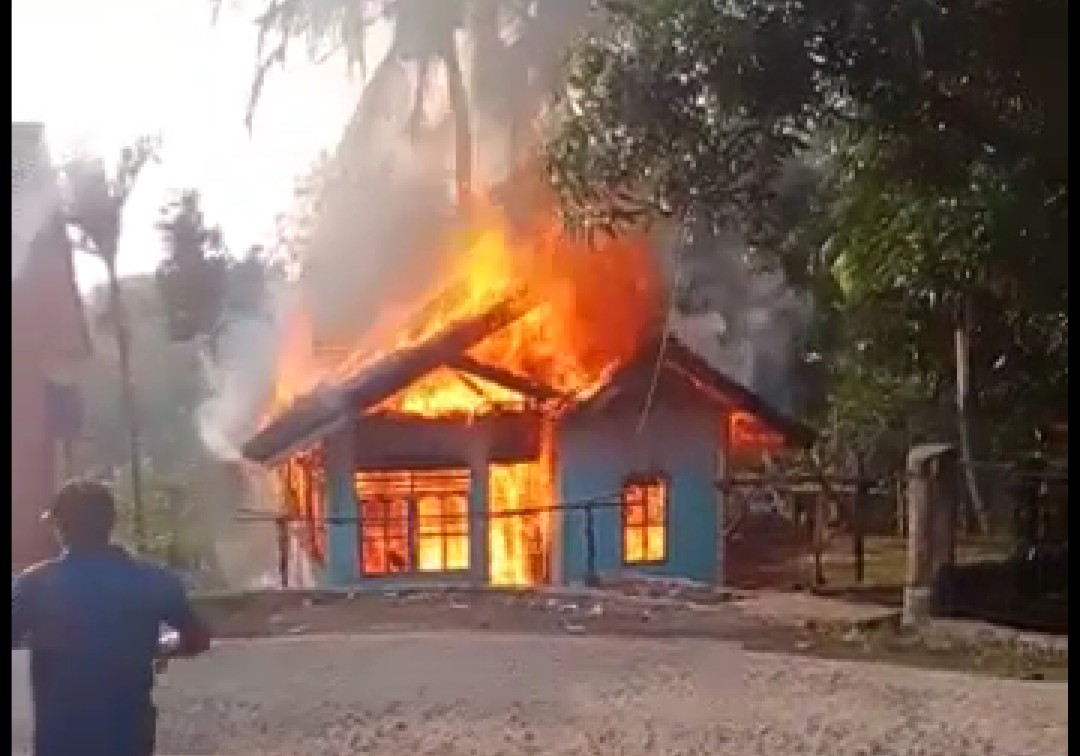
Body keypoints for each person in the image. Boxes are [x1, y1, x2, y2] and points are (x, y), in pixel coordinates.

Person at [11, 479, 212, 756]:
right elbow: (198, 638)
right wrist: (164, 646)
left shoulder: (34, 584)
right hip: (128, 734)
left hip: (60, 737)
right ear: (111, 522)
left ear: (60, 527)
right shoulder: (153, 580)